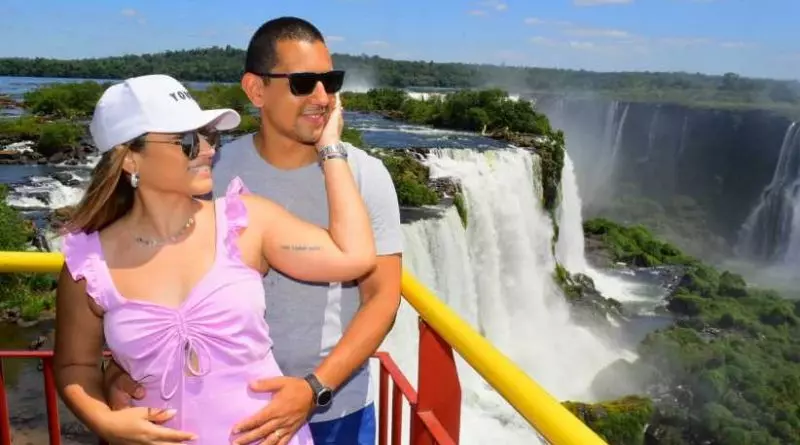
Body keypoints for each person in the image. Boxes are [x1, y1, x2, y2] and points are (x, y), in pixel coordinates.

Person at [103, 16, 404, 445]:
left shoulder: (364, 175)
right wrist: (121, 368)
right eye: (303, 83)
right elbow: (163, 274)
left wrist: (314, 388)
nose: (322, 97)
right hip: (229, 413)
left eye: (331, 81)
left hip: (337, 408)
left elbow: (382, 298)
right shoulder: (210, 173)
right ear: (256, 90)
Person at [53, 73, 377, 445]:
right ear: (129, 159)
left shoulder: (243, 223)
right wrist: (105, 423)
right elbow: (75, 365)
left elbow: (354, 256)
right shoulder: (89, 264)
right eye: (188, 141)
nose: (208, 150)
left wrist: (330, 147)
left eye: (209, 136)